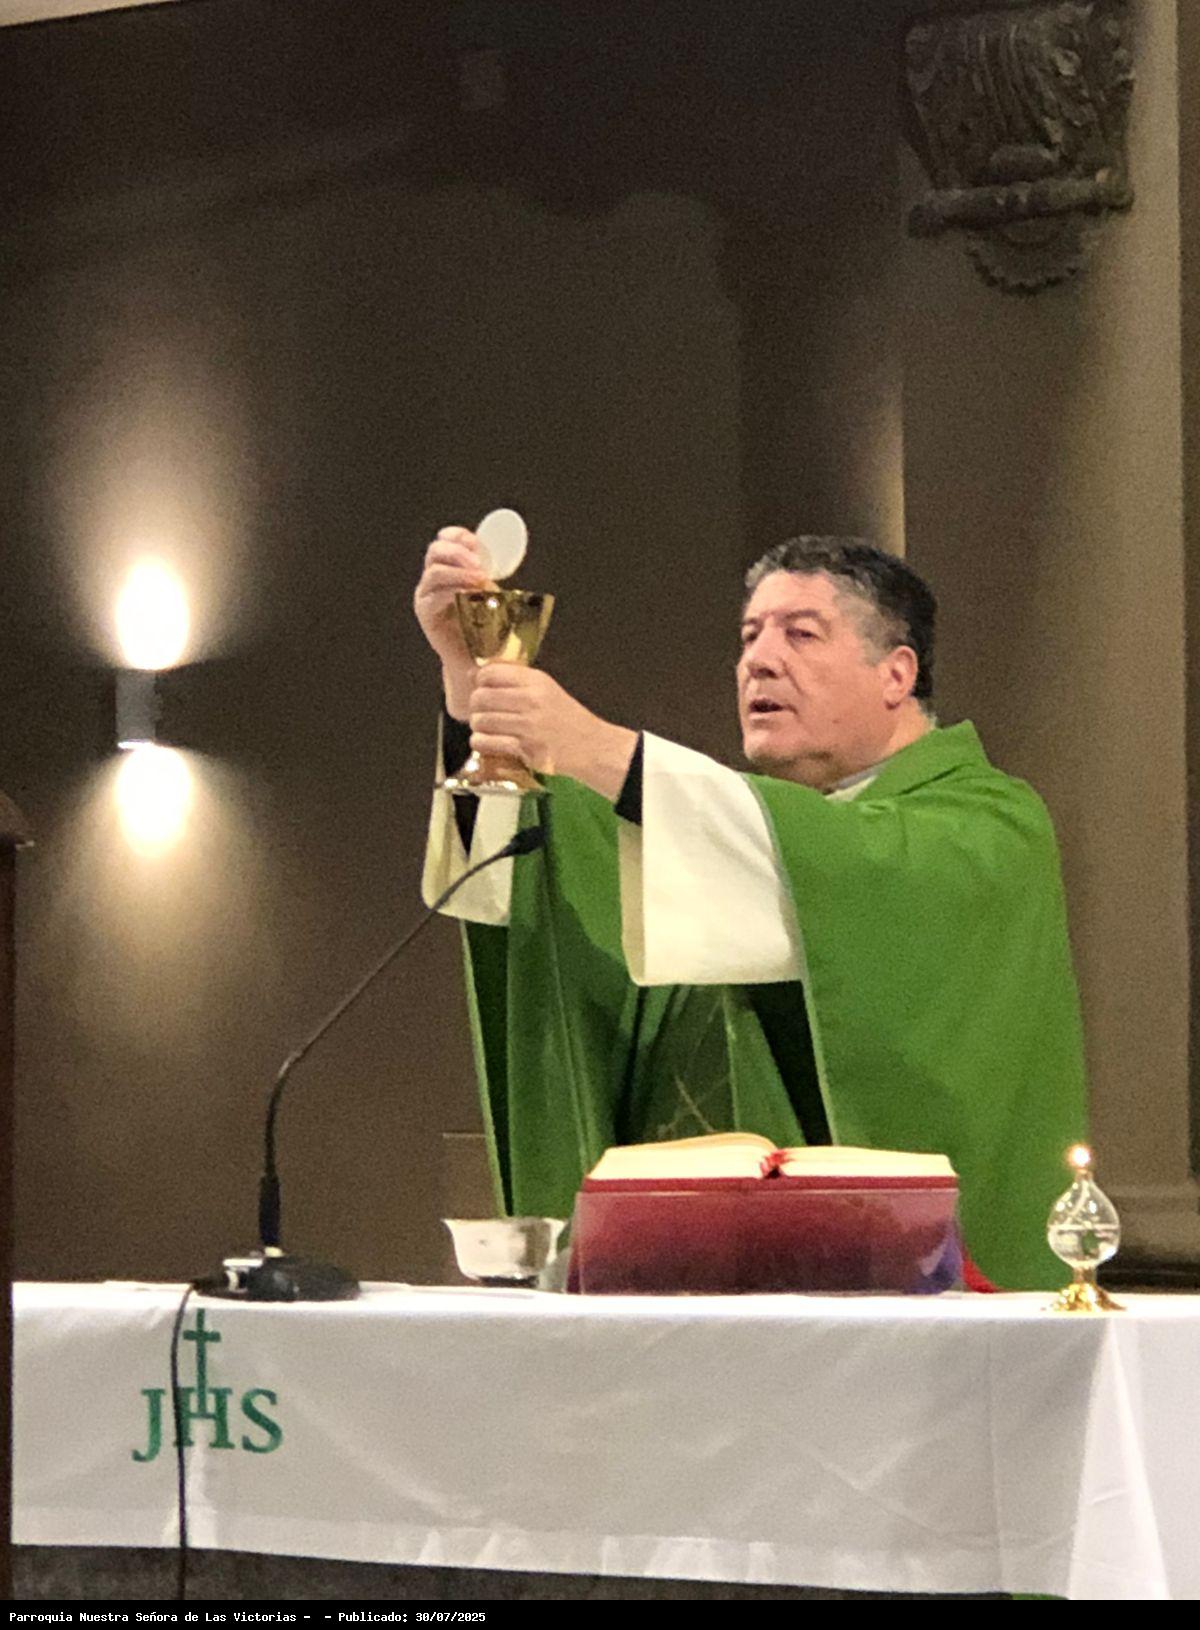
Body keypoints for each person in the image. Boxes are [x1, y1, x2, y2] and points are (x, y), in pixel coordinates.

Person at [417, 528, 1087, 1290]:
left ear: (896, 674)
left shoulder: (993, 826)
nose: (759, 661)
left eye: (801, 634)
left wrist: (594, 748)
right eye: (749, 636)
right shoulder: (710, 843)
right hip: (697, 1294)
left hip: (906, 1310)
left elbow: (846, 865)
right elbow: (553, 871)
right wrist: (473, 692)